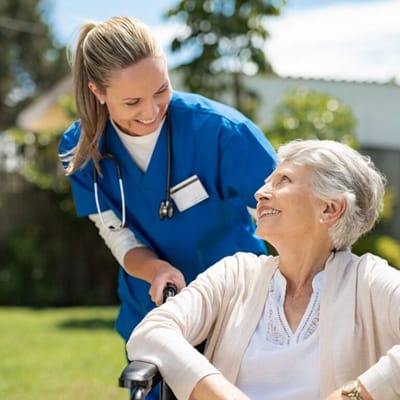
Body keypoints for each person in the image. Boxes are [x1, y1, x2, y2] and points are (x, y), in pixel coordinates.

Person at [58, 15, 277, 396]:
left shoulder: (222, 132)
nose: (151, 110)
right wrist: (155, 269)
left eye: (161, 90)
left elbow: (289, 217)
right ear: (97, 91)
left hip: (237, 310)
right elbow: (117, 234)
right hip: (155, 312)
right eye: (132, 101)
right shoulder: (81, 150)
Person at [127, 139, 400, 400]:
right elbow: (151, 332)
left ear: (329, 208)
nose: (260, 192)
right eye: (269, 180)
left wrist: (354, 395)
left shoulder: (368, 281)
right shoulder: (235, 275)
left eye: (283, 180)